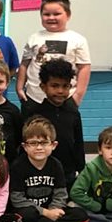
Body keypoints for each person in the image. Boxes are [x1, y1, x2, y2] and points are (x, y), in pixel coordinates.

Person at [10, 116, 102, 222]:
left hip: (51, 210)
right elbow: (17, 199)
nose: (39, 147)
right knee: (26, 216)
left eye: (44, 142)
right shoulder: (18, 166)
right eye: (33, 143)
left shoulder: (56, 165)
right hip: (33, 211)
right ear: (25, 146)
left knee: (79, 214)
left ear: (53, 145)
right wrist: (45, 213)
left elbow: (61, 193)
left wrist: (54, 209)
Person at [16, 0, 91, 116]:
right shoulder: (34, 38)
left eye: (57, 14)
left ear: (68, 15)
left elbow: (84, 67)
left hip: (65, 99)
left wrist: (78, 96)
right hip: (34, 97)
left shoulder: (78, 40)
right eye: (46, 14)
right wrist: (19, 88)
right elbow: (25, 64)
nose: (51, 17)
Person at [29, 59, 85, 189]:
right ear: (43, 87)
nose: (60, 91)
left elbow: (78, 143)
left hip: (68, 173)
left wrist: (82, 170)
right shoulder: (35, 114)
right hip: (42, 173)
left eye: (65, 86)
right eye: (54, 86)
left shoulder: (73, 112)